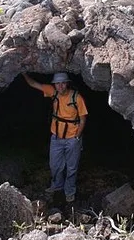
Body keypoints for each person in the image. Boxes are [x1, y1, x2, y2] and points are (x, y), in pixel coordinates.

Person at [22, 72, 88, 203]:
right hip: (56, 137)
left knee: (71, 167)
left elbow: (82, 119)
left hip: (72, 138)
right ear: (55, 85)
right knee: (55, 165)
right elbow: (34, 84)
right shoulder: (53, 92)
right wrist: (23, 73)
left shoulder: (76, 98)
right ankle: (57, 185)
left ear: (67, 83)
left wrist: (76, 138)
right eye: (57, 83)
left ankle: (69, 191)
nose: (60, 86)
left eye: (63, 83)